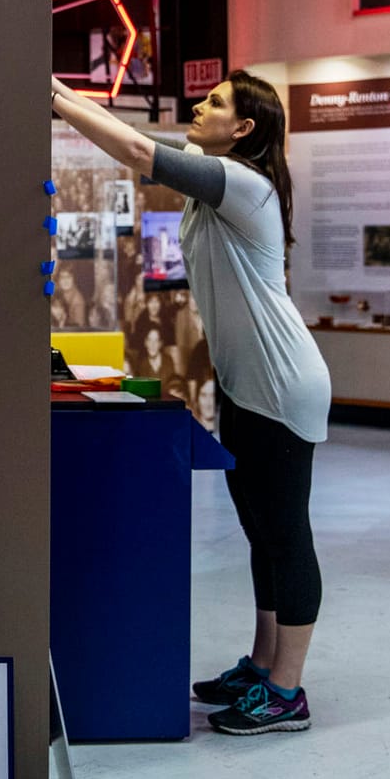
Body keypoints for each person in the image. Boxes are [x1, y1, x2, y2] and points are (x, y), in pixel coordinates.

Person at [50, 73, 330, 735]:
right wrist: (61, 93)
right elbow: (143, 141)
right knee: (261, 530)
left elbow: (140, 153)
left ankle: (288, 690)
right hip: (245, 385)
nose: (199, 107)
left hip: (283, 384)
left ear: (243, 130)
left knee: (286, 533)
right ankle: (264, 667)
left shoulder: (245, 184)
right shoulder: (216, 174)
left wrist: (54, 98)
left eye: (215, 102)